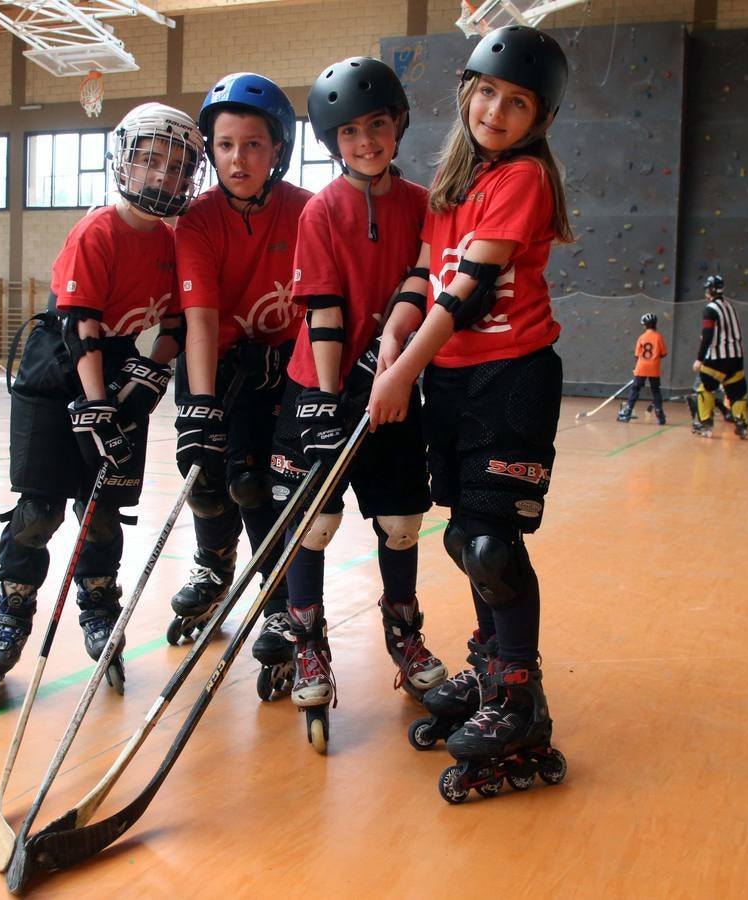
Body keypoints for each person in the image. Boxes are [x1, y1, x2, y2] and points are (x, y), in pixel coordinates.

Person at [368, 25, 571, 793]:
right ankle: (490, 668)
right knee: (464, 538)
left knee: (492, 546)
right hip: (453, 382)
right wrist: (394, 328)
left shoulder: (523, 178)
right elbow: (426, 276)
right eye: (487, 92)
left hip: (512, 377)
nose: (496, 110)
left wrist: (401, 373)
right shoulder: (454, 186)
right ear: (466, 93)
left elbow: (468, 292)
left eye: (517, 102)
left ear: (539, 118)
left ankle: (519, 702)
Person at [0, 102, 205, 710]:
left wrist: (154, 369)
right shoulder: (97, 230)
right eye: (150, 160)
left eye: (177, 166)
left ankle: (99, 608)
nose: (162, 175)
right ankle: (11, 611)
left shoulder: (174, 241)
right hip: (59, 370)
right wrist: (98, 406)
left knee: (102, 511)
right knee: (40, 511)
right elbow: (80, 327)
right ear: (125, 162)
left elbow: (177, 320)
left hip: (116, 365)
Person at [269, 55, 445, 744]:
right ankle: (308, 641)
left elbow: (422, 286)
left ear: (398, 124)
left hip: (391, 380)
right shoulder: (321, 210)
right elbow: (324, 310)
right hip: (320, 380)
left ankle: (404, 633)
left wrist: (390, 367)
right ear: (331, 141)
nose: (365, 141)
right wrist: (324, 398)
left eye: (376, 125)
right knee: (312, 522)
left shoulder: (423, 203)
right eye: (349, 132)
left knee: (400, 522)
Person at [167, 73, 311, 698]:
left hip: (280, 364)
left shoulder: (305, 209)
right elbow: (199, 319)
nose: (238, 159)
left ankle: (278, 599)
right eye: (225, 145)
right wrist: (199, 405)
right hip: (216, 359)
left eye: (253, 144)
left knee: (256, 484)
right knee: (203, 474)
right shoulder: (197, 219)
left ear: (277, 149)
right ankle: (213, 565)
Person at [691, 274, 748, 438]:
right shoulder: (729, 306)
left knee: (704, 388)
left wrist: (699, 359)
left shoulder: (710, 309)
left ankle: (705, 425)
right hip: (736, 357)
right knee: (737, 393)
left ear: (710, 290)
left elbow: (708, 334)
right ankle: (742, 426)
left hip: (717, 359)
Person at [617, 312, 667, 424]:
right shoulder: (658, 337)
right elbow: (663, 353)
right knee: (656, 390)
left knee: (635, 388)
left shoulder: (641, 337)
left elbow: (637, 354)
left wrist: (635, 367)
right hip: (654, 367)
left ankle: (628, 411)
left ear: (645, 325)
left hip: (642, 366)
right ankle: (659, 414)